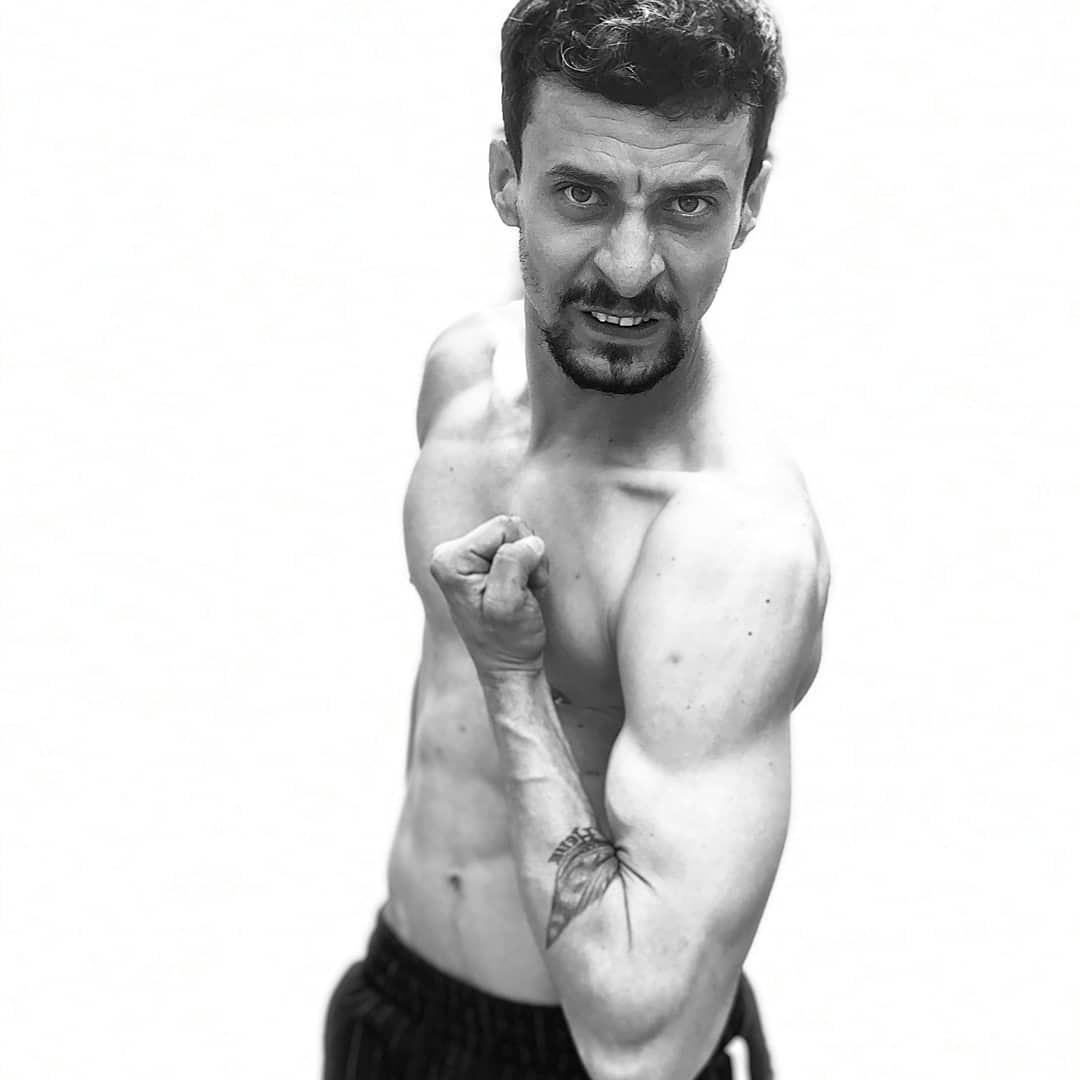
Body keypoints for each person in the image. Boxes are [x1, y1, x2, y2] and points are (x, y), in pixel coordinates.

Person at [325, 1, 828, 1077]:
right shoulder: (463, 381)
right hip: (396, 1009)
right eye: (583, 194)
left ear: (749, 203)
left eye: (688, 204)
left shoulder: (732, 544)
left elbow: (640, 1046)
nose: (632, 269)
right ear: (507, 178)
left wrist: (514, 676)